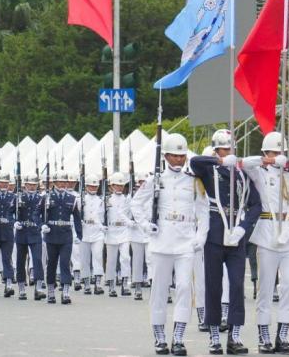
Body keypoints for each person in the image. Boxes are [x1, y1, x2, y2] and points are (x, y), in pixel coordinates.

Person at [131, 133, 209, 356]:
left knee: (185, 287)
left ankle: (178, 338)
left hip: (185, 242)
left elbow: (204, 211)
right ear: (165, 156)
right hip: (161, 241)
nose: (178, 160)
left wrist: (200, 237)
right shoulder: (155, 180)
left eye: (182, 156)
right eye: (174, 156)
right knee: (159, 290)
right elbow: (136, 204)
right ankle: (160, 338)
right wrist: (146, 226)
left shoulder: (194, 181)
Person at [190, 129, 262, 355]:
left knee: (237, 285)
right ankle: (213, 337)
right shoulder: (209, 171)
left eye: (230, 149)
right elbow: (194, 161)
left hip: (235, 237)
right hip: (214, 235)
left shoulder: (242, 175)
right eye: (223, 149)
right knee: (213, 285)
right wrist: (220, 160)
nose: (228, 152)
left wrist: (243, 228)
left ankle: (235, 336)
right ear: (216, 149)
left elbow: (256, 205)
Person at [242, 131, 289, 354]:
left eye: (282, 153)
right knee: (265, 288)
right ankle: (264, 336)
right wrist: (268, 160)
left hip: (288, 238)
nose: (279, 156)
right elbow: (244, 164)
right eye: (274, 152)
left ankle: (283, 336)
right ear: (266, 152)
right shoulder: (260, 173)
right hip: (266, 236)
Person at [42, 171, 83, 304]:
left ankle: (65, 292)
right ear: (54, 183)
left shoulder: (72, 198)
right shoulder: (47, 197)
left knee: (65, 263)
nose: (61, 184)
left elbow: (77, 218)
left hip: (66, 235)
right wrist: (42, 225)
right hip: (51, 233)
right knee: (52, 264)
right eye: (59, 182)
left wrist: (79, 234)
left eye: (64, 182)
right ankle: (51, 291)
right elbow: (39, 214)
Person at [14, 174, 46, 300]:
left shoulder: (41, 198)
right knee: (20, 261)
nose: (32, 187)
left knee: (37, 260)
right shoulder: (18, 198)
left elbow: (44, 215)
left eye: (34, 185)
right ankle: (21, 288)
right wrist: (14, 221)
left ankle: (38, 288)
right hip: (22, 231)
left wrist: (43, 225)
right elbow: (10, 211)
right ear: (25, 185)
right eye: (29, 185)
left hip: (35, 231)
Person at [105, 172, 133, 297]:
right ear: (111, 186)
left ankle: (125, 283)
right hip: (111, 231)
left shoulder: (127, 199)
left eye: (121, 185)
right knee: (111, 260)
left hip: (124, 231)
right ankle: (111, 285)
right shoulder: (106, 200)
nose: (119, 188)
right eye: (116, 185)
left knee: (126, 258)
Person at [79, 174, 106, 295]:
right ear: (86, 186)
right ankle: (86, 284)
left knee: (97, 257)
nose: (93, 188)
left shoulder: (101, 200)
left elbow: (102, 216)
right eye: (91, 186)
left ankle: (98, 283)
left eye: (95, 186)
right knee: (84, 259)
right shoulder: (80, 199)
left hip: (97, 232)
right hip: (84, 232)